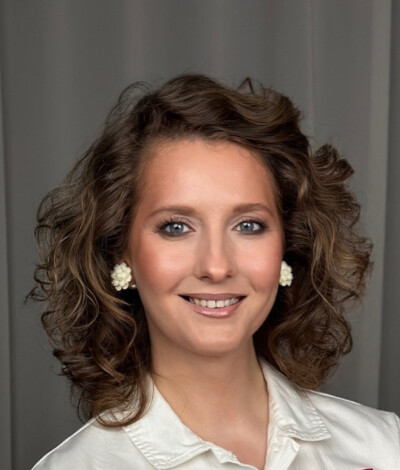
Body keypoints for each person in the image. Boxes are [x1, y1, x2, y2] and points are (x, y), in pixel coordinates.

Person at [30, 74, 400, 470]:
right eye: (176, 227)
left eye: (249, 225)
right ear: (123, 253)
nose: (217, 266)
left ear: (288, 246)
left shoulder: (384, 444)